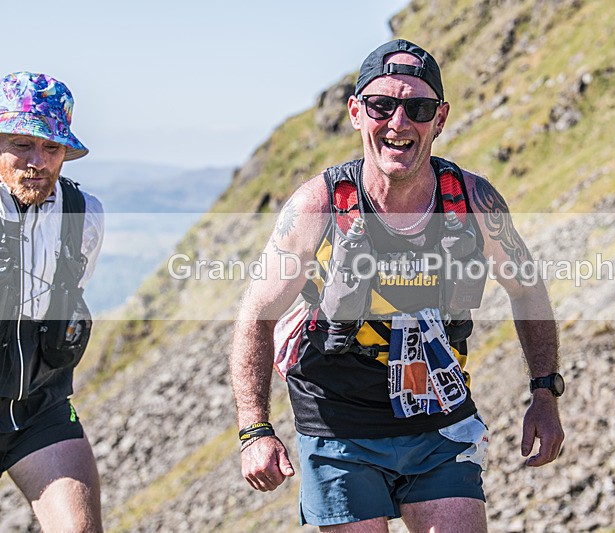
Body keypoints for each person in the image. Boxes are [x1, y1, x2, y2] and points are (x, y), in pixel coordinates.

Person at [230, 40, 564, 532]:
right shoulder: (318, 206)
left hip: (439, 418)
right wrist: (254, 429)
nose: (399, 123)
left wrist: (544, 392)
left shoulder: (473, 202)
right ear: (356, 113)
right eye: (382, 105)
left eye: (418, 108)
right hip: (338, 426)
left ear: (441, 118)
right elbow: (257, 313)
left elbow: (528, 291)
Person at [0, 72, 104, 532]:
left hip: (42, 409)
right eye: (22, 144)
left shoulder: (85, 216)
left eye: (52, 148)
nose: (37, 162)